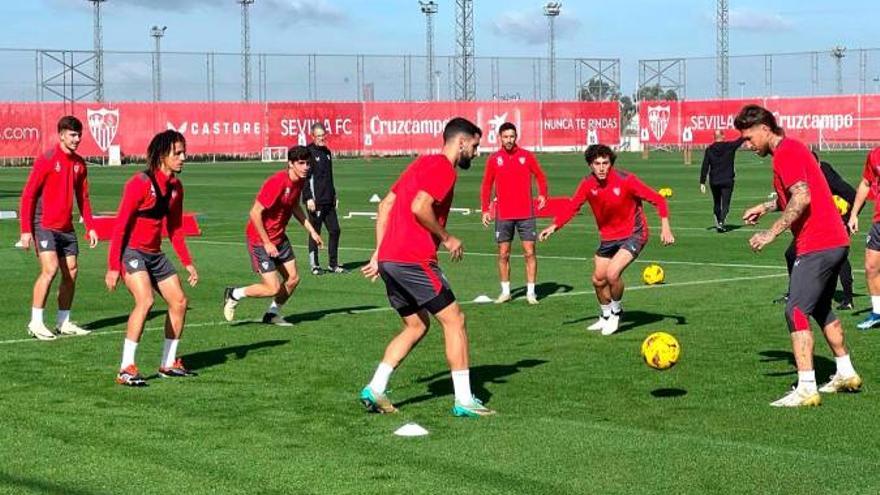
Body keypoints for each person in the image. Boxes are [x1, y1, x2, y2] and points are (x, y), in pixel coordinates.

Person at [359, 117, 495, 418]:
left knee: (417, 324)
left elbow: (384, 206)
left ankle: (376, 387)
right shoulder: (443, 169)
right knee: (455, 320)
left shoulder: (420, 163)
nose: (477, 152)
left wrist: (379, 255)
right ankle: (464, 400)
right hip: (413, 258)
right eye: (474, 145)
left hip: (391, 259)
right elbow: (420, 206)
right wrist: (446, 238)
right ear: (461, 142)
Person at [736, 104, 861, 407]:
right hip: (835, 241)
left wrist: (771, 233)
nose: (747, 145)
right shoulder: (793, 149)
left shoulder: (787, 152)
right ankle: (845, 372)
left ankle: (806, 386)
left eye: (749, 138)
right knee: (819, 307)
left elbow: (802, 197)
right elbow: (795, 195)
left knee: (794, 310)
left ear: (765, 129)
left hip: (817, 242)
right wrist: (764, 208)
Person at [538, 144, 675, 336]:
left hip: (634, 233)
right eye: (597, 164)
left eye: (605, 163)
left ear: (611, 163)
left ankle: (617, 312)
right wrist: (554, 226)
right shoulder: (587, 184)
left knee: (612, 274)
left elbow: (658, 199)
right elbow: (572, 206)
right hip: (608, 237)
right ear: (590, 165)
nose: (602, 167)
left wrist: (665, 227)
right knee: (598, 280)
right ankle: (605, 316)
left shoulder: (626, 180)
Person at [105, 130, 198, 387]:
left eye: (183, 152)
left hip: (155, 254)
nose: (183, 157)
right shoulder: (140, 183)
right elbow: (120, 227)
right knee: (145, 301)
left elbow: (176, 229)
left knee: (179, 301)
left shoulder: (176, 188)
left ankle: (168, 364)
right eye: (177, 153)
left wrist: (187, 262)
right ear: (161, 155)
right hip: (132, 253)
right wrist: (113, 267)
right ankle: (126, 368)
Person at [222, 146, 324, 326]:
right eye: (301, 163)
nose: (306, 167)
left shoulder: (300, 181)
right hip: (260, 239)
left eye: (308, 163)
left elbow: (294, 206)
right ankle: (234, 294)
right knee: (273, 287)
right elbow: (254, 213)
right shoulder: (277, 182)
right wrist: (267, 242)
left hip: (279, 238)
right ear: (290, 164)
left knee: (293, 279)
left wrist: (312, 230)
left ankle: (272, 313)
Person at [19, 115, 98, 340]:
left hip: (66, 227)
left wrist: (90, 226)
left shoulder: (80, 164)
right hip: (43, 223)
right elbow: (28, 195)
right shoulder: (47, 159)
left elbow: (83, 197)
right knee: (50, 269)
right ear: (61, 134)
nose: (77, 139)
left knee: (71, 271)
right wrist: (26, 230)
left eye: (79, 135)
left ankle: (63, 322)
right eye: (73, 135)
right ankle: (36, 322)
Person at [777, 152, 856, 310]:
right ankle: (794, 293)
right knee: (791, 254)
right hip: (814, 225)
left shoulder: (826, 174)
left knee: (840, 259)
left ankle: (848, 299)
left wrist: (847, 219)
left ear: (816, 164)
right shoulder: (806, 177)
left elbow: (852, 194)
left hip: (834, 225)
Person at [480, 122, 548, 305]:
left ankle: (531, 292)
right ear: (500, 138)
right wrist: (485, 209)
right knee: (503, 253)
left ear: (516, 136)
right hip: (504, 214)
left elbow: (540, 176)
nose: (509, 140)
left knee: (529, 252)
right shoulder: (494, 159)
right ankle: (505, 292)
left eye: (512, 136)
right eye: (506, 137)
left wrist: (543, 193)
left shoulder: (526, 156)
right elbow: (486, 184)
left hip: (526, 213)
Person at [302, 123, 342, 275]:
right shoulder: (308, 153)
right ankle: (315, 265)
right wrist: (308, 198)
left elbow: (329, 177)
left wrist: (334, 195)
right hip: (315, 201)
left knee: (335, 230)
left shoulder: (327, 152)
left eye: (323, 136)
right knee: (315, 232)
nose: (321, 138)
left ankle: (333, 264)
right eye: (318, 136)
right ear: (312, 136)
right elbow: (305, 178)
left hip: (328, 200)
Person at [848, 146, 880, 329]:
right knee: (871, 266)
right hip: (878, 221)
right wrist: (854, 214)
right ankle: (877, 312)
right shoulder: (874, 155)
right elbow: (866, 183)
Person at [699, 130, 744, 232]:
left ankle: (719, 221)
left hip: (714, 180)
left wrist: (702, 182)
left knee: (716, 202)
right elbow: (739, 141)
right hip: (727, 180)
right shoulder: (729, 146)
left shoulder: (709, 150)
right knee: (726, 203)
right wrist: (747, 134)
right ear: (723, 136)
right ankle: (721, 222)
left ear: (714, 137)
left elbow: (705, 166)